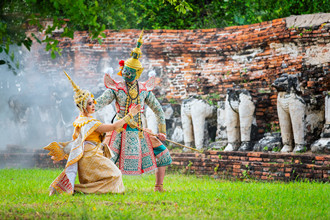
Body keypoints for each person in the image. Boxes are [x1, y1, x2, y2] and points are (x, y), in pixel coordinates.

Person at [95, 30, 172, 192]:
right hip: (118, 129)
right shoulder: (117, 88)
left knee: (163, 154)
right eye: (125, 70)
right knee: (104, 159)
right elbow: (99, 103)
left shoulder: (144, 90)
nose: (126, 73)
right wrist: (86, 107)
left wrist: (162, 131)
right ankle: (100, 186)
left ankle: (159, 186)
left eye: (130, 71)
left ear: (138, 73)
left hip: (139, 131)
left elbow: (158, 110)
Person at [44, 71, 141, 195]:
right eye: (90, 104)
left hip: (92, 156)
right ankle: (78, 190)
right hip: (90, 158)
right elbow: (114, 126)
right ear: (83, 106)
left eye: (93, 102)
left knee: (115, 177)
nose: (93, 105)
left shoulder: (80, 119)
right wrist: (131, 114)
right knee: (116, 175)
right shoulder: (89, 122)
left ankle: (78, 189)